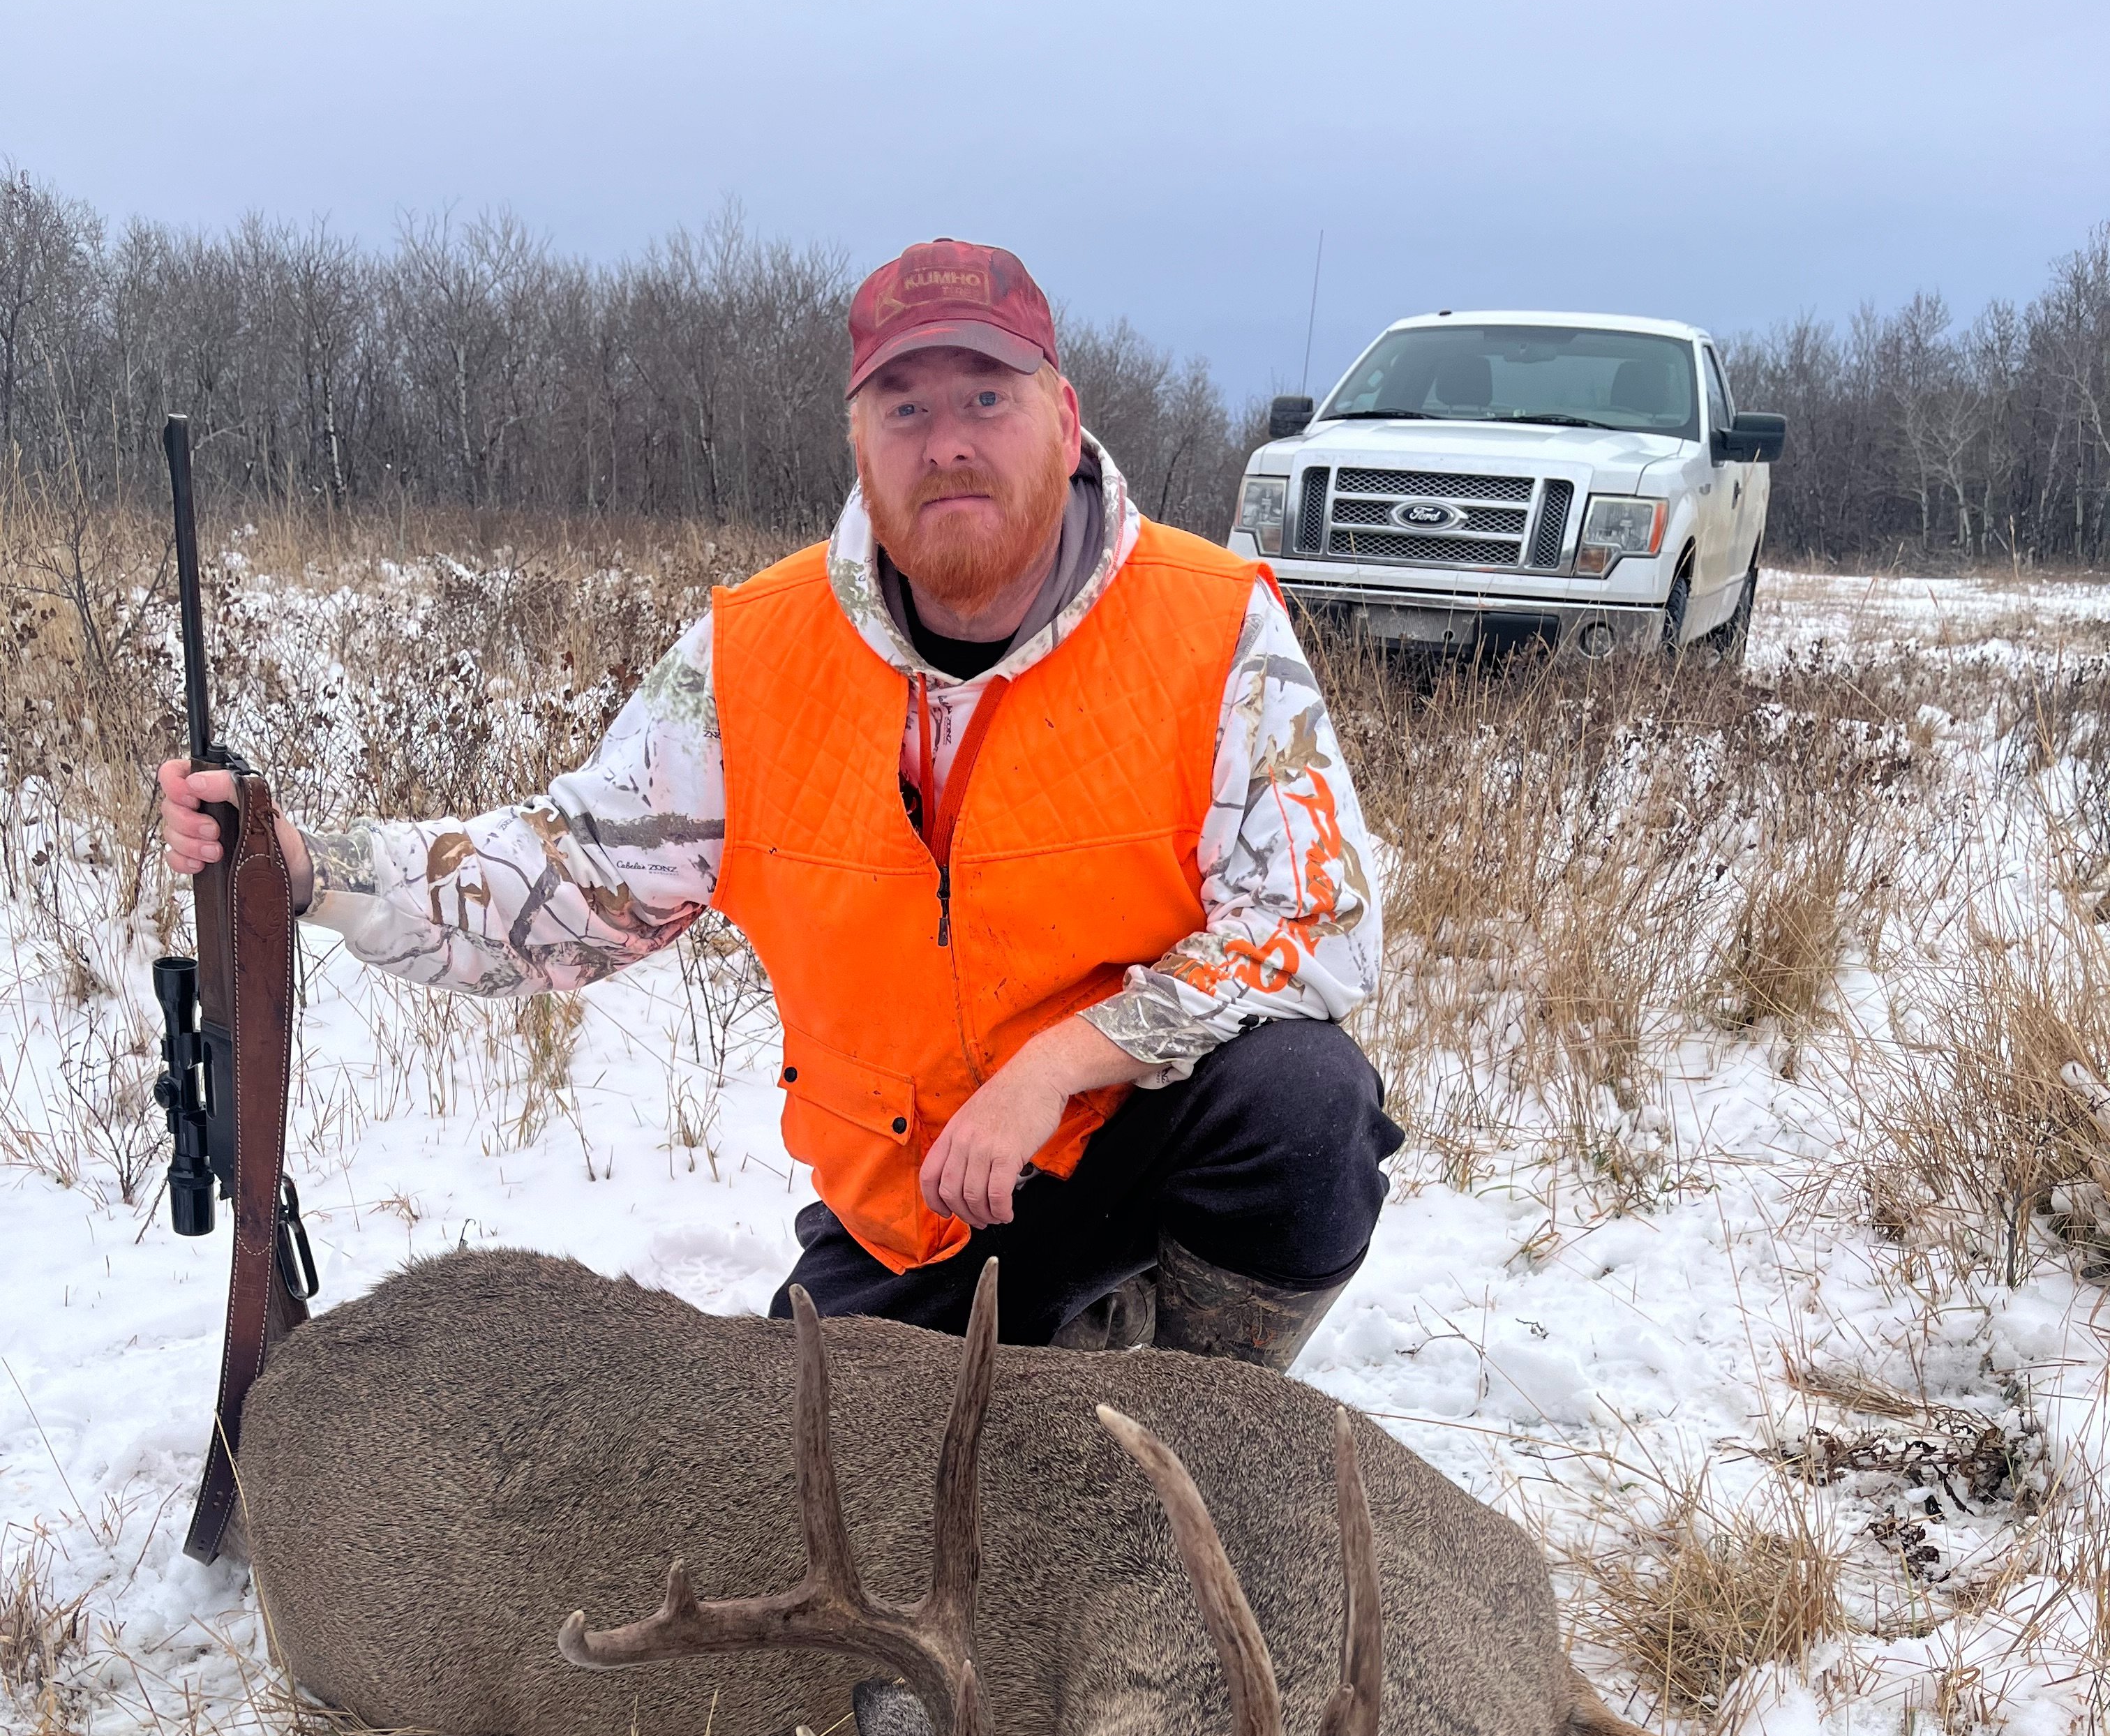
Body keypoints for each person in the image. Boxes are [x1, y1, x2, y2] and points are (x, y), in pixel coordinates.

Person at [159, 238, 1398, 1368]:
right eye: (905, 409)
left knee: (1304, 1111)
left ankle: (1200, 1411)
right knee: (799, 1519)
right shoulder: (755, 655)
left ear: (1064, 421)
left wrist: (1054, 1072)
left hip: (1128, 1152)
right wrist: (312, 866)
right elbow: (578, 878)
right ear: (860, 445)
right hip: (910, 1221)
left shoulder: (1210, 625)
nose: (948, 442)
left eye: (987, 398)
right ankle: (1012, 1347)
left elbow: (1317, 918)